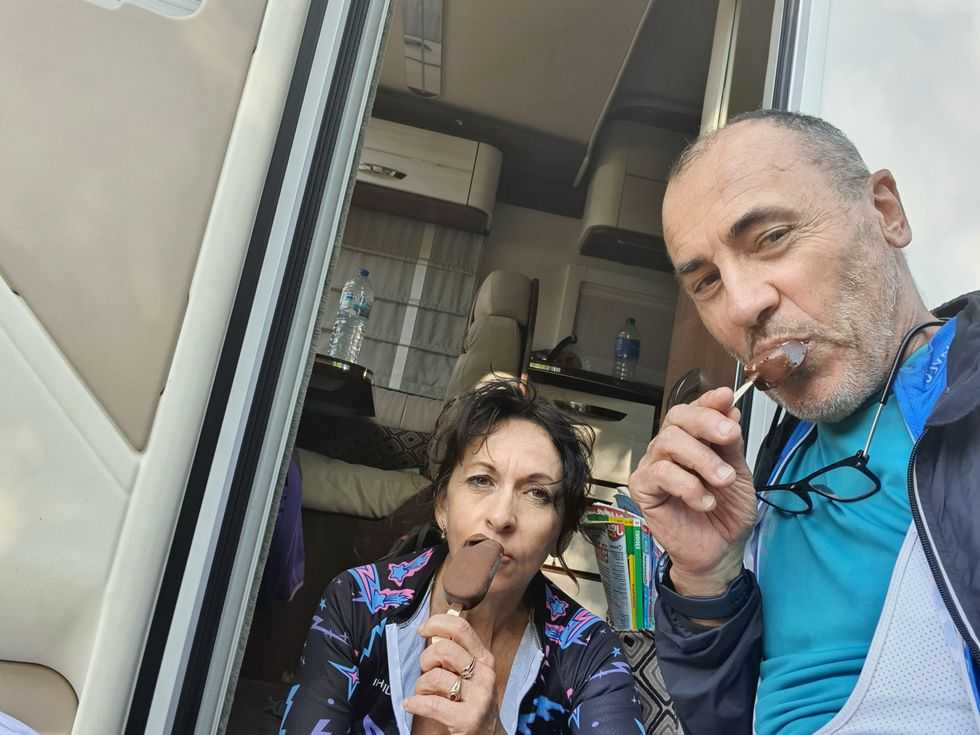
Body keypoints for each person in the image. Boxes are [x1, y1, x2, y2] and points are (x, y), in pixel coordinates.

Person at [629, 110, 980, 734]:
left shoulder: (966, 409)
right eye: (707, 282)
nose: (743, 305)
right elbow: (722, 720)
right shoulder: (774, 465)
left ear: (886, 212)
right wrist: (707, 577)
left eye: (771, 238)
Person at [281, 380, 643, 734]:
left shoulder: (590, 653)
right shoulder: (356, 601)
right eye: (481, 480)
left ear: (560, 535)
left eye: (537, 493)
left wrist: (491, 732)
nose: (501, 517)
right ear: (442, 507)